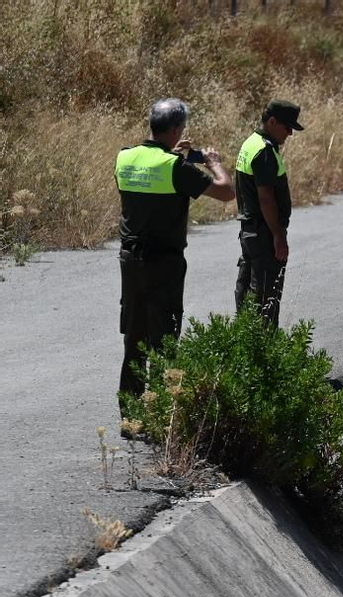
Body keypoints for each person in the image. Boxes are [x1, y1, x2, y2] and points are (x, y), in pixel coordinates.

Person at [115, 98, 235, 412]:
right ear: (177, 128)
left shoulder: (125, 157)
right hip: (163, 263)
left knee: (135, 338)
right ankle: (163, 414)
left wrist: (172, 155)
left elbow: (149, 179)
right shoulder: (176, 167)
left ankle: (131, 414)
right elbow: (226, 192)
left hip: (130, 260)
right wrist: (213, 162)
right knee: (165, 339)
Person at [234, 99, 302, 327]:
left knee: (249, 296)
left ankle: (245, 346)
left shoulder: (250, 143)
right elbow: (266, 198)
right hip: (264, 234)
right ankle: (263, 354)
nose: (290, 133)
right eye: (287, 127)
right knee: (265, 300)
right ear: (272, 122)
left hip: (250, 232)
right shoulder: (264, 152)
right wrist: (279, 236)